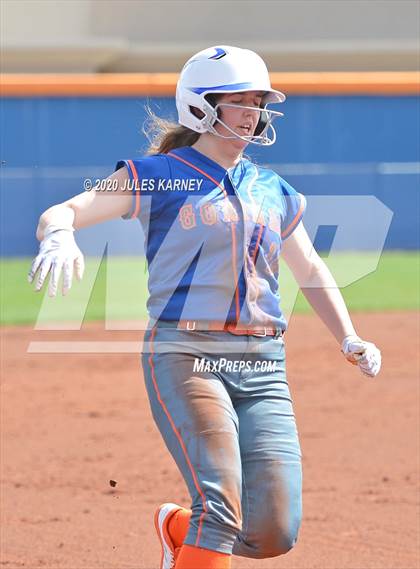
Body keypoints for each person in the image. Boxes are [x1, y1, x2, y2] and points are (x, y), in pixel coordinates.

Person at [28, 46, 381, 569]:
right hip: (185, 353)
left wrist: (349, 336)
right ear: (200, 107)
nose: (254, 112)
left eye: (259, 101)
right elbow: (65, 210)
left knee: (273, 532)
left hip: (263, 364)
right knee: (219, 511)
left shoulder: (271, 188)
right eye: (240, 100)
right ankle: (197, 531)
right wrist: (58, 234)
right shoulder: (161, 174)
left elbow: (310, 270)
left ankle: (175, 528)